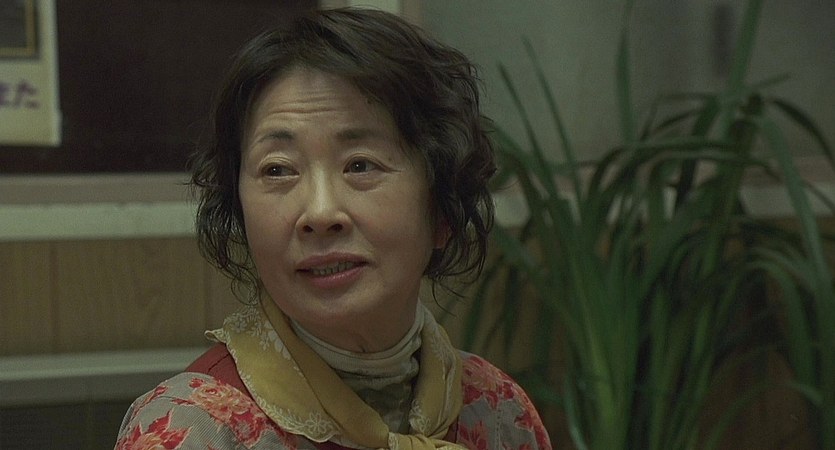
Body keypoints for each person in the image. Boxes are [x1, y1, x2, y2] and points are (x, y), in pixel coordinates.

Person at [115, 7, 551, 450]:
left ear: (442, 209)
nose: (320, 213)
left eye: (360, 165)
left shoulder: (499, 413)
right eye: (278, 170)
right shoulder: (193, 431)